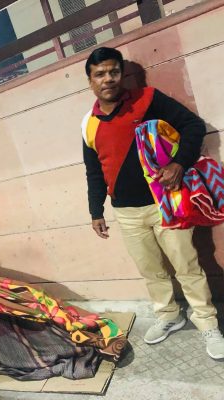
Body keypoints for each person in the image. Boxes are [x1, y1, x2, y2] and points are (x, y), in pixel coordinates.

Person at [82, 47, 224, 360]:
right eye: (100, 74)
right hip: (125, 211)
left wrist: (179, 163)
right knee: (151, 271)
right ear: (90, 81)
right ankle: (169, 315)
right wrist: (96, 211)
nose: (108, 79)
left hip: (166, 203)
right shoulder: (89, 125)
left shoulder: (147, 100)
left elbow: (193, 125)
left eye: (113, 72)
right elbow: (94, 171)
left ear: (122, 74)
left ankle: (207, 323)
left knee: (187, 266)